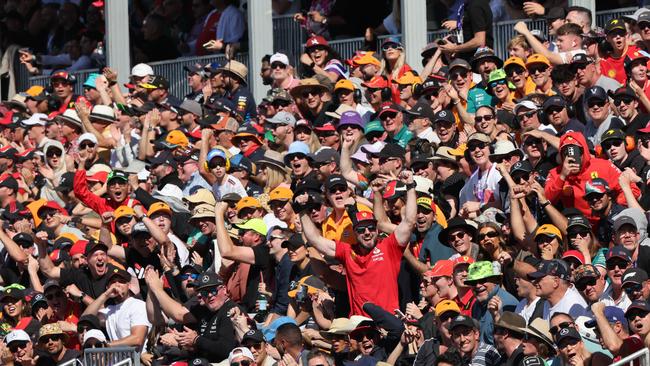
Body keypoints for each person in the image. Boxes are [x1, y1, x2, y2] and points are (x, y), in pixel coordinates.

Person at [298, 171, 416, 315]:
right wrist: (302, 210)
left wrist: (410, 186)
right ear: (355, 232)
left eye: (371, 227)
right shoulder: (347, 251)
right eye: (361, 229)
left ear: (378, 230)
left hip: (388, 322)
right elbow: (315, 240)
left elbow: (409, 222)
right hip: (360, 326)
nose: (367, 232)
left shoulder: (389, 246)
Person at [82, 268, 150, 350]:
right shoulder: (109, 310)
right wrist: (106, 294)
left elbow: (137, 339)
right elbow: (85, 319)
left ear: (128, 285)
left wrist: (108, 344)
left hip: (137, 360)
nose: (117, 284)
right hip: (118, 360)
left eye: (121, 281)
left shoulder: (137, 305)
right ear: (108, 287)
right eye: (113, 282)